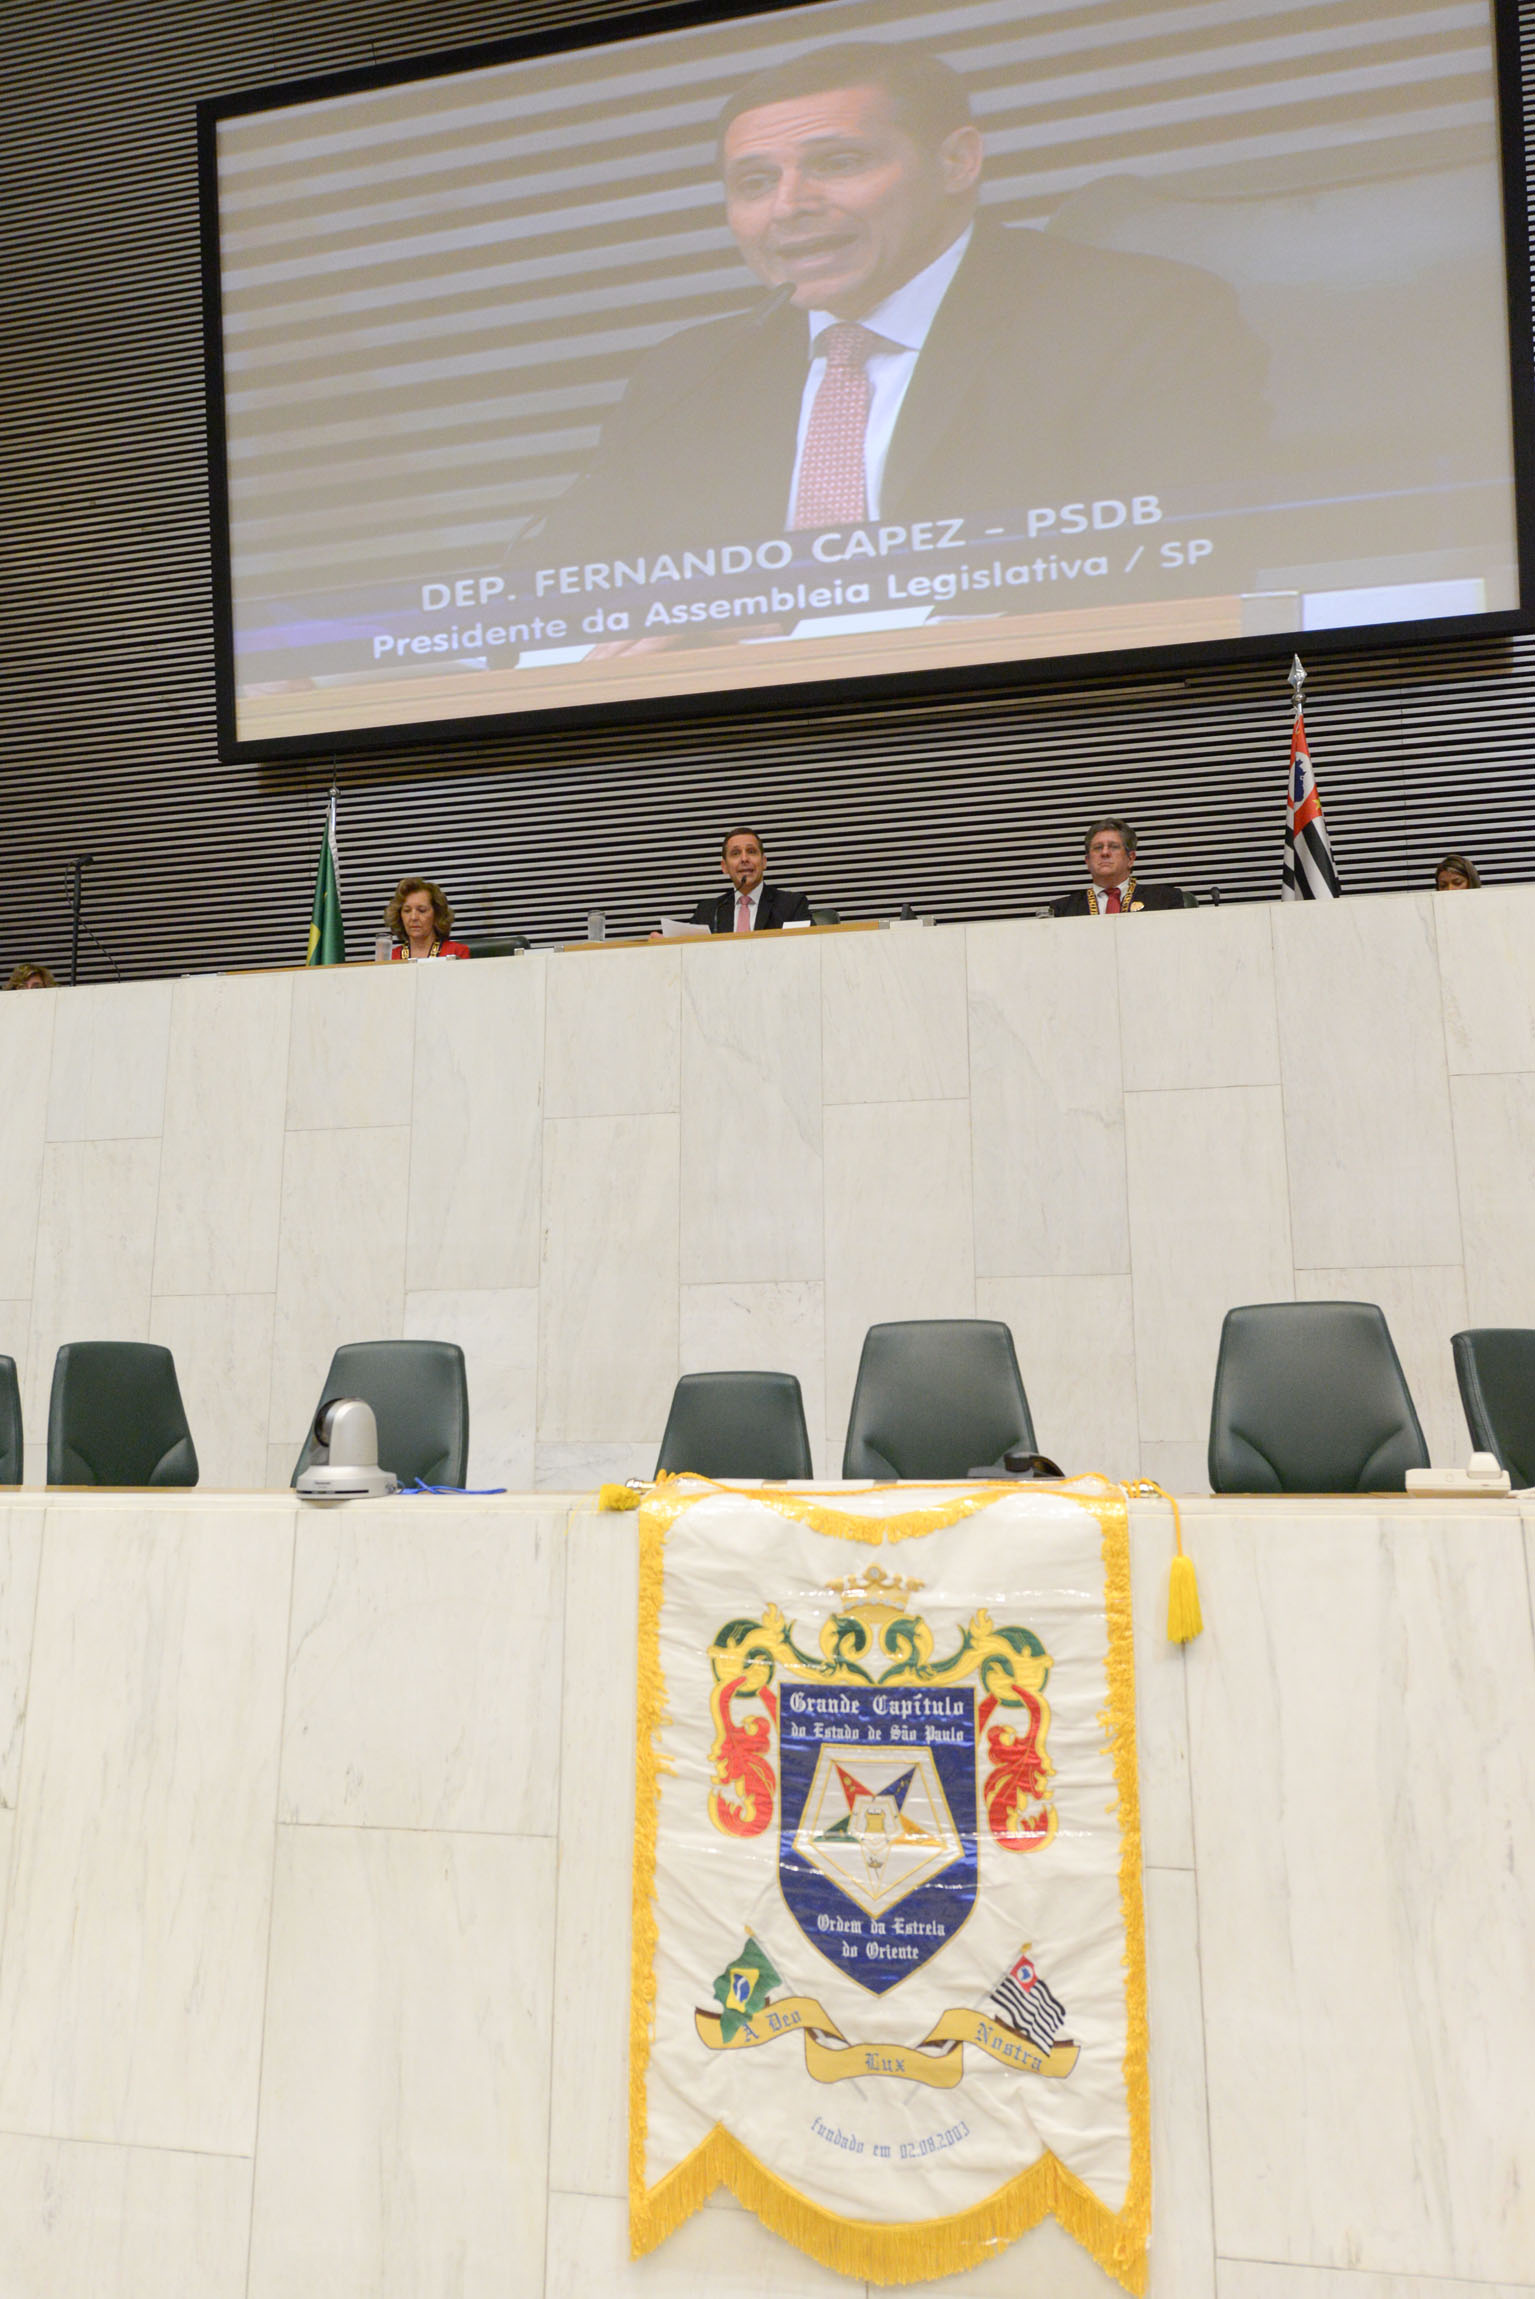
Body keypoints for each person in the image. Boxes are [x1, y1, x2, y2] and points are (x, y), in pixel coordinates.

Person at [540, 41, 1268, 561]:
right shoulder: (689, 374)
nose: (788, 206)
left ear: (957, 162)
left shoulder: (1133, 318)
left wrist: (800, 627)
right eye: (754, 182)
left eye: (838, 163)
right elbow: (570, 585)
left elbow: (1175, 564)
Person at [692, 828, 812, 933]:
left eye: (751, 851)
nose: (744, 859)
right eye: (735, 853)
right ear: (724, 866)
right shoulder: (708, 913)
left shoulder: (791, 906)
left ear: (763, 862)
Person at [1052, 820, 1183, 916]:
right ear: (1088, 861)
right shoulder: (1063, 910)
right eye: (1098, 848)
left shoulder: (1165, 900)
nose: (1105, 853)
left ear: (1131, 858)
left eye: (1113, 847)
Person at [384, 877, 470, 960]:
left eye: (422, 910)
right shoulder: (391, 957)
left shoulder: (457, 952)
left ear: (437, 914)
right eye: (407, 911)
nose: (413, 917)